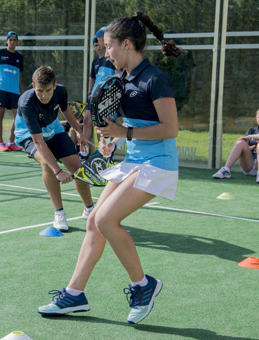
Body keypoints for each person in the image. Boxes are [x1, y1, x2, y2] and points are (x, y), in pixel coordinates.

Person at [37, 12, 184, 324]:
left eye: (108, 47)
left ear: (127, 44)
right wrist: (111, 142)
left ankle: (144, 286)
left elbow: (171, 129)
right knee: (93, 222)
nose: (105, 53)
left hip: (158, 165)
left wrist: (123, 133)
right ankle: (74, 294)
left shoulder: (154, 80)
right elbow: (126, 125)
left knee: (105, 219)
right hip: (135, 161)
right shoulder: (122, 80)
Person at [14, 66, 95, 231]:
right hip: (29, 136)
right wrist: (58, 171)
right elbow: (38, 142)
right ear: (33, 86)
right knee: (47, 164)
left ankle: (90, 209)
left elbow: (66, 111)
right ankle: (59, 214)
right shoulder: (26, 103)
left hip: (54, 129)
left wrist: (79, 133)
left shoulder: (61, 91)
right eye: (40, 91)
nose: (44, 95)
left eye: (48, 91)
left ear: (55, 85)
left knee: (77, 168)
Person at [81, 27, 116, 159]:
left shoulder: (112, 58)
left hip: (106, 97)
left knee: (103, 125)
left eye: (98, 39)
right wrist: (90, 92)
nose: (97, 42)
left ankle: (104, 153)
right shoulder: (96, 61)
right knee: (87, 120)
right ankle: (85, 150)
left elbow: (118, 76)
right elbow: (93, 78)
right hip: (94, 98)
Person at [212, 109, 259, 182]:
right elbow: (246, 147)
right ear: (256, 118)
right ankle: (226, 170)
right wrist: (251, 147)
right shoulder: (251, 131)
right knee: (240, 142)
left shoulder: (250, 135)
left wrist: (250, 138)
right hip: (250, 164)